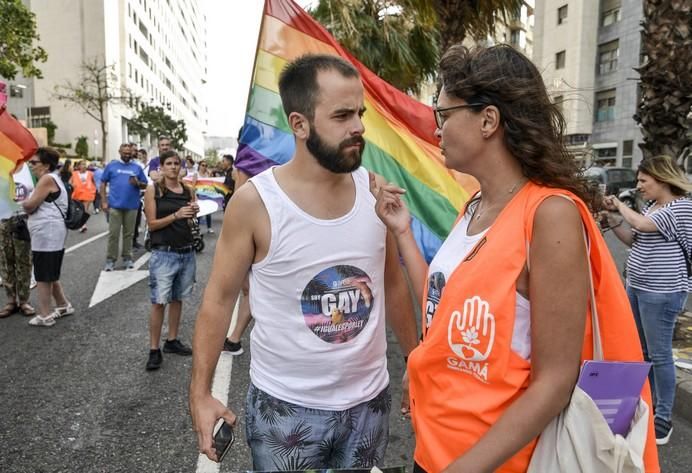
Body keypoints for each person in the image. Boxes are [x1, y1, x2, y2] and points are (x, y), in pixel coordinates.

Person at [374, 45, 659, 473]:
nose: (437, 131)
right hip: (433, 449)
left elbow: (555, 383)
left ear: (488, 120)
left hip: (495, 462)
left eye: (444, 115)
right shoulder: (474, 205)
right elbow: (442, 306)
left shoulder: (550, 214)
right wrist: (401, 233)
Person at [190, 54, 418, 469]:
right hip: (285, 409)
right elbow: (219, 299)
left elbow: (393, 285)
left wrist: (415, 363)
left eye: (360, 114)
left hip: (369, 404)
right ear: (299, 124)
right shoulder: (256, 203)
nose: (359, 127)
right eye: (342, 115)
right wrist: (201, 394)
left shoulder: (376, 194)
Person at [603, 154, 692, 445]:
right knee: (641, 351)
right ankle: (648, 406)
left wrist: (618, 205)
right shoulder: (654, 206)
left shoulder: (680, 208)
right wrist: (614, 221)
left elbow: (642, 225)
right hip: (638, 286)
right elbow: (634, 238)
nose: (639, 185)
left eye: (644, 180)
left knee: (660, 355)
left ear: (662, 178)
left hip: (662, 292)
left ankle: (663, 419)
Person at [142, 150, 197, 371]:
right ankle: (154, 349)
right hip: (163, 253)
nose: (173, 167)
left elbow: (191, 217)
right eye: (169, 163)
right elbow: (152, 224)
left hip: (186, 251)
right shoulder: (153, 189)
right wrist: (176, 215)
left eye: (177, 163)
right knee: (158, 302)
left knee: (178, 299)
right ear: (161, 167)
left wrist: (193, 211)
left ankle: (172, 340)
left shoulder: (188, 190)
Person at [21, 147, 74, 327]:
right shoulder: (54, 178)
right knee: (50, 271)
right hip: (51, 231)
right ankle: (63, 304)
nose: (31, 165)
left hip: (47, 232)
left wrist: (19, 202)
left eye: (34, 162)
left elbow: (30, 205)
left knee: (43, 274)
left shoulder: (46, 179)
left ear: (45, 165)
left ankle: (45, 314)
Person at [100, 143, 148, 271]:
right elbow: (103, 183)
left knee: (129, 234)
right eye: (124, 153)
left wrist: (137, 183)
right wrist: (104, 201)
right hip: (115, 205)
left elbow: (145, 185)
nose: (127, 155)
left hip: (132, 206)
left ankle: (128, 258)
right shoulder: (112, 166)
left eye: (129, 153)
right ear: (119, 152)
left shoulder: (137, 167)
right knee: (113, 234)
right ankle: (110, 260)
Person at [0, 165, 35, 318]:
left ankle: (24, 300)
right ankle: (10, 300)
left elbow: (34, 192)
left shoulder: (27, 169)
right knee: (5, 261)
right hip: (3, 220)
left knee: (24, 261)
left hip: (22, 219)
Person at [70, 160, 97, 233]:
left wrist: (94, 189)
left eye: (85, 164)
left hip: (87, 193)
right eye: (82, 164)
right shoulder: (74, 174)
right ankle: (80, 224)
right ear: (78, 166)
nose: (84, 166)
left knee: (84, 210)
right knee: (78, 210)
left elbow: (94, 182)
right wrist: (72, 185)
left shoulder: (91, 173)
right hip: (77, 194)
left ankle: (83, 225)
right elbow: (70, 182)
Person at [196, 160, 214, 234]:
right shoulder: (196, 174)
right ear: (199, 166)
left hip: (206, 195)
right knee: (198, 213)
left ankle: (209, 228)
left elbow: (211, 184)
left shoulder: (207, 174)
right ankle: (197, 229)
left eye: (206, 165)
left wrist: (210, 174)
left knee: (208, 212)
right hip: (198, 195)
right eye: (202, 165)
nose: (204, 167)